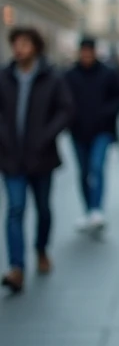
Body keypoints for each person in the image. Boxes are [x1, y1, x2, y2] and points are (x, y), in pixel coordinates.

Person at [0, 27, 74, 294]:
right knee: (15, 209)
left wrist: (46, 135)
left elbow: (66, 110)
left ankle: (41, 248)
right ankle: (17, 268)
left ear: (36, 47)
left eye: (24, 44)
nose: (19, 49)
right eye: (15, 43)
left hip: (41, 156)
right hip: (10, 156)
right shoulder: (5, 77)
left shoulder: (51, 78)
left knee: (43, 209)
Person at [63, 36, 119, 234]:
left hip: (102, 130)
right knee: (83, 172)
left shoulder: (107, 73)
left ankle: (97, 210)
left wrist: (106, 114)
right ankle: (88, 209)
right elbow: (63, 100)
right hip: (78, 130)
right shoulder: (70, 75)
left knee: (96, 168)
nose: (86, 55)